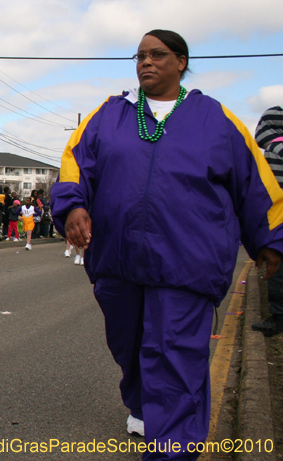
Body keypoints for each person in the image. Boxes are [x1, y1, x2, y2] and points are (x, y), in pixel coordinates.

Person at [52, 29, 283, 460]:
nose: (146, 62)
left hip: (187, 262)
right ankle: (142, 404)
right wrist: (72, 208)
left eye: (157, 55)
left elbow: (255, 183)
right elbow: (73, 165)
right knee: (129, 345)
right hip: (118, 260)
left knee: (174, 355)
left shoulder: (216, 120)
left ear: (181, 61)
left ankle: (172, 450)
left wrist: (270, 239)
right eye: (139, 56)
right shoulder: (109, 114)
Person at [253, 106, 283, 336]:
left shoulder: (273, 149)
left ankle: (279, 318)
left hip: (279, 218)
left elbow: (270, 189)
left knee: (279, 269)